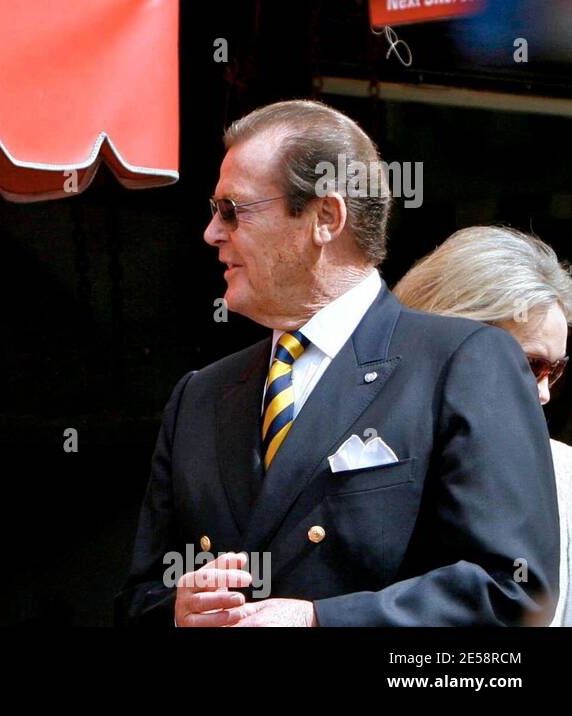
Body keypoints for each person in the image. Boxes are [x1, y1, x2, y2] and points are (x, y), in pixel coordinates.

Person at [116, 100, 560, 627]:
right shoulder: (200, 394)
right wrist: (177, 610)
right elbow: (135, 600)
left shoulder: (462, 361)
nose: (212, 233)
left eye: (232, 210)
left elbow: (514, 590)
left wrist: (318, 621)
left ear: (325, 217)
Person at [394, 226, 572, 626]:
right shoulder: (342, 444)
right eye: (528, 366)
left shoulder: (564, 475)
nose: (543, 393)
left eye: (555, 370)